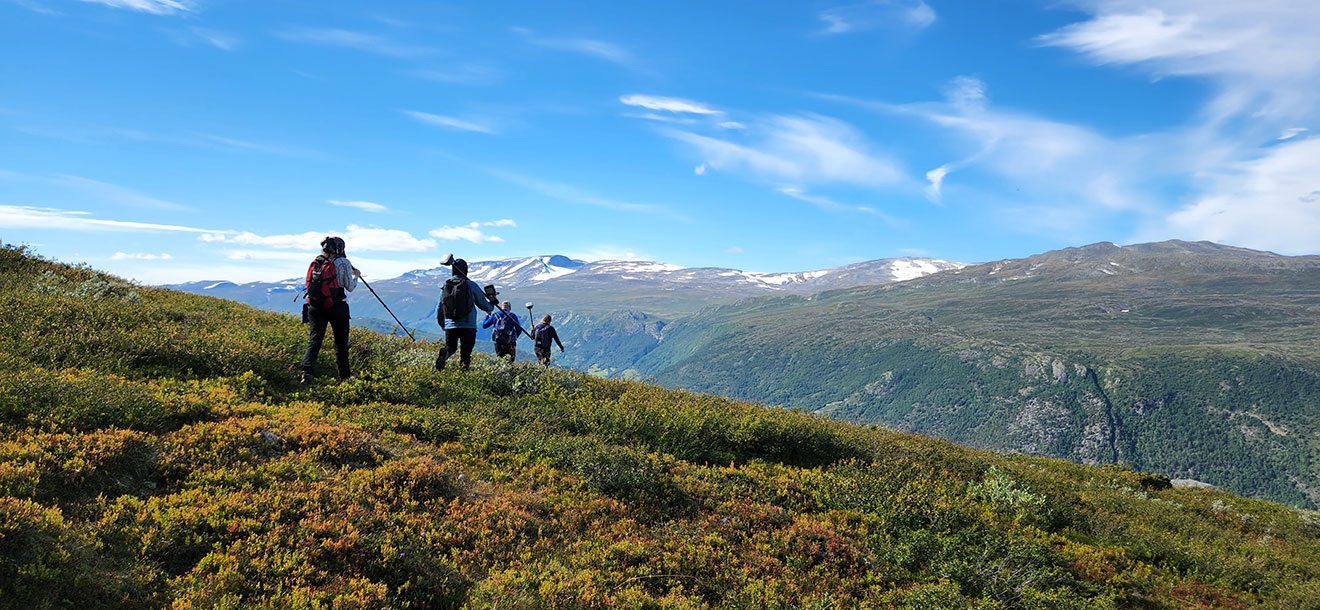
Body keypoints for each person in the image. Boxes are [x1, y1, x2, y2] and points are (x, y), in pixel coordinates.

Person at [299, 236, 360, 385]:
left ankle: (306, 373)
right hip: (337, 306)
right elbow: (350, 287)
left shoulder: (318, 261)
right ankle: (344, 377)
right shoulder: (343, 263)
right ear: (340, 248)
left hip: (315, 306)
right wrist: (356, 276)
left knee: (314, 340)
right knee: (341, 342)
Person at [435, 258, 493, 370]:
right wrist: (492, 303)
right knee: (465, 354)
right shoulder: (471, 285)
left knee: (451, 347)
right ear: (465, 270)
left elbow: (440, 307)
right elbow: (484, 305)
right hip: (468, 325)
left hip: (451, 324)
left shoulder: (446, 286)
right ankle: (463, 375)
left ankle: (445, 354)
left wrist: (442, 323)